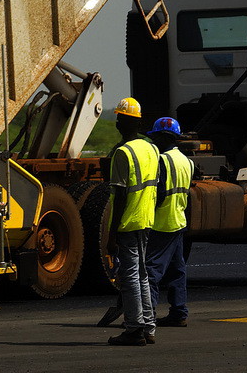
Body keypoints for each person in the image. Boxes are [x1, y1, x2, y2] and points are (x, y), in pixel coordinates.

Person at [105, 96, 162, 346]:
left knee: (129, 277)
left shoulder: (122, 152)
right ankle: (148, 327)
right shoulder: (151, 148)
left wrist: (112, 232)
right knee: (141, 276)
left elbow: (118, 197)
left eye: (119, 118)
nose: (117, 122)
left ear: (122, 122)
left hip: (129, 221)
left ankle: (134, 329)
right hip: (147, 218)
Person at [147, 116, 193, 328]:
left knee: (151, 270)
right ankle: (179, 312)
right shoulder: (187, 161)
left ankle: (147, 316)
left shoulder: (162, 160)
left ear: (163, 138)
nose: (154, 142)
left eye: (155, 138)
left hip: (162, 222)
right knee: (177, 269)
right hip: (179, 220)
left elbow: (160, 193)